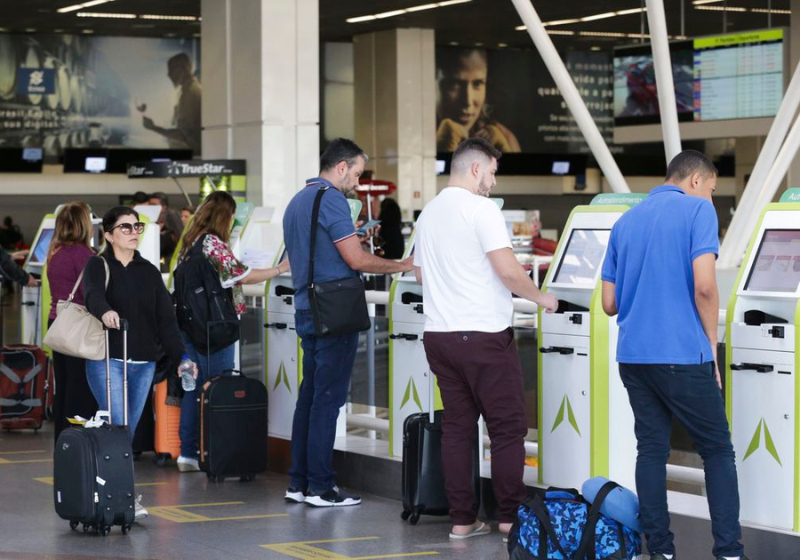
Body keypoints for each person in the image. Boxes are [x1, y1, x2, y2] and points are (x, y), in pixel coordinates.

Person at [600, 150, 747, 560]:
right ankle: (729, 552)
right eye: (712, 189)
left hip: (633, 357)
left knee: (650, 450)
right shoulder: (698, 212)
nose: (711, 198)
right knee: (717, 451)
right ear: (696, 180)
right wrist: (711, 346)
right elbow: (705, 287)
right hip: (682, 354)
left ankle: (661, 551)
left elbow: (609, 303)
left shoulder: (626, 222)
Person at [412, 138, 557, 540]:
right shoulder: (482, 209)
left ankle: (463, 520)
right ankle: (509, 517)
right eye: (492, 172)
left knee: (458, 428)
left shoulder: (428, 213)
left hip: (439, 337)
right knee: (507, 428)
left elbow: (421, 274)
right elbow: (508, 271)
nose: (493, 182)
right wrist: (544, 298)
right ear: (476, 168)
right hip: (484, 338)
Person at [282, 138, 414, 507]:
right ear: (341, 167)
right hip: (335, 313)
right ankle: (321, 487)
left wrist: (354, 237)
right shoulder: (332, 200)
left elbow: (319, 252)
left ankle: (299, 482)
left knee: (310, 398)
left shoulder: (298, 200)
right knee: (327, 400)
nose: (357, 182)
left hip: (307, 308)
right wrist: (402, 265)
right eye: (356, 173)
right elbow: (356, 260)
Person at [83, 206, 197, 521]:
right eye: (126, 227)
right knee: (119, 429)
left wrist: (182, 358)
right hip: (108, 359)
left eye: (137, 227)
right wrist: (105, 311)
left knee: (126, 433)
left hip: (144, 364)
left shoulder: (148, 271)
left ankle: (110, 493)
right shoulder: (98, 264)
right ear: (108, 235)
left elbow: (166, 321)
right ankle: (122, 497)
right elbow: (92, 295)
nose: (134, 232)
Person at [174, 191, 289, 473]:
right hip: (214, 328)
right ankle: (216, 452)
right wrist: (280, 268)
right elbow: (241, 275)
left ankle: (188, 453)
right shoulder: (212, 242)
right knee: (217, 387)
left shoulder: (190, 242)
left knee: (193, 388)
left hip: (189, 325)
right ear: (225, 216)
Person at [45, 202, 98, 443]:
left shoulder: (55, 253)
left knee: (65, 386)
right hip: (79, 326)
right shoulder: (83, 254)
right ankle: (79, 442)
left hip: (58, 323)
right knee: (81, 388)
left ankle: (63, 441)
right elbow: (91, 294)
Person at [437, 49, 521, 153]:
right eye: (454, 84)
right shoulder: (417, 134)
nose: (468, 102)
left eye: (477, 83)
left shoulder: (505, 137)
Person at [143, 53, 202, 155]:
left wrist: (153, 128)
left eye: (171, 69)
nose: (168, 74)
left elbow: (183, 136)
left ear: (184, 69)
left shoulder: (190, 93)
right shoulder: (188, 91)